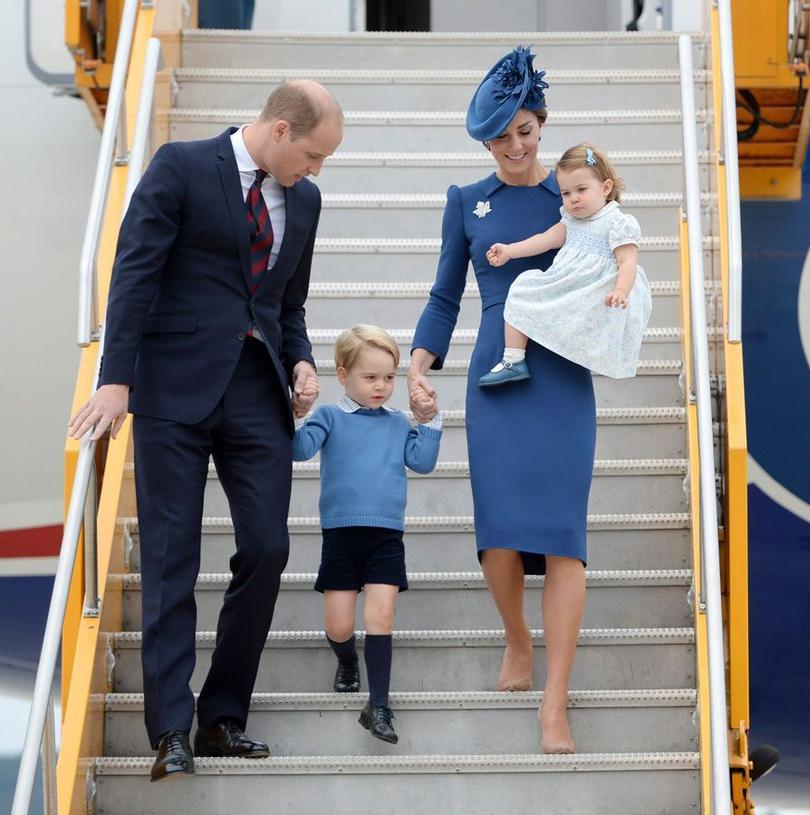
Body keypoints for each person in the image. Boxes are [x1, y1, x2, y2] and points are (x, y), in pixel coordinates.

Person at [67, 80, 344, 781]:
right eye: (313, 154)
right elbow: (134, 272)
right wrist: (115, 376)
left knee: (267, 545)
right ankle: (171, 729)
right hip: (172, 388)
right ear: (280, 130)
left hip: (256, 390)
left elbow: (289, 301)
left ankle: (222, 715)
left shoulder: (304, 201)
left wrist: (302, 360)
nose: (316, 171)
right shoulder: (181, 166)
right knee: (170, 554)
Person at [408, 46, 591, 754]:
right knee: (499, 535)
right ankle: (518, 638)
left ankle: (555, 700)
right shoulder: (466, 202)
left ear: (541, 122)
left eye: (526, 129)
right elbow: (445, 293)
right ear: (484, 140)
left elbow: (614, 255)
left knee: (565, 541)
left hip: (563, 372)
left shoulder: (573, 194)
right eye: (502, 136)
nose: (517, 147)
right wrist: (418, 365)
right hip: (495, 372)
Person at [291, 325, 442, 745]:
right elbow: (298, 450)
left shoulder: (397, 423)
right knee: (339, 624)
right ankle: (346, 660)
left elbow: (423, 462)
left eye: (389, 378)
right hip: (340, 536)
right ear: (343, 376)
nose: (381, 387)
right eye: (370, 377)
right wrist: (296, 411)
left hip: (385, 538)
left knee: (380, 616)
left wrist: (428, 421)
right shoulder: (329, 416)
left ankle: (378, 705)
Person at [480, 142, 651, 386]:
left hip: (597, 290)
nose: (573, 199)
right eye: (566, 193)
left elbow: (628, 261)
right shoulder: (570, 220)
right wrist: (510, 250)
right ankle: (513, 359)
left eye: (582, 189)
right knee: (522, 287)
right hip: (568, 285)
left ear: (606, 187)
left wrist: (621, 290)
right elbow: (546, 240)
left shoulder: (617, 222)